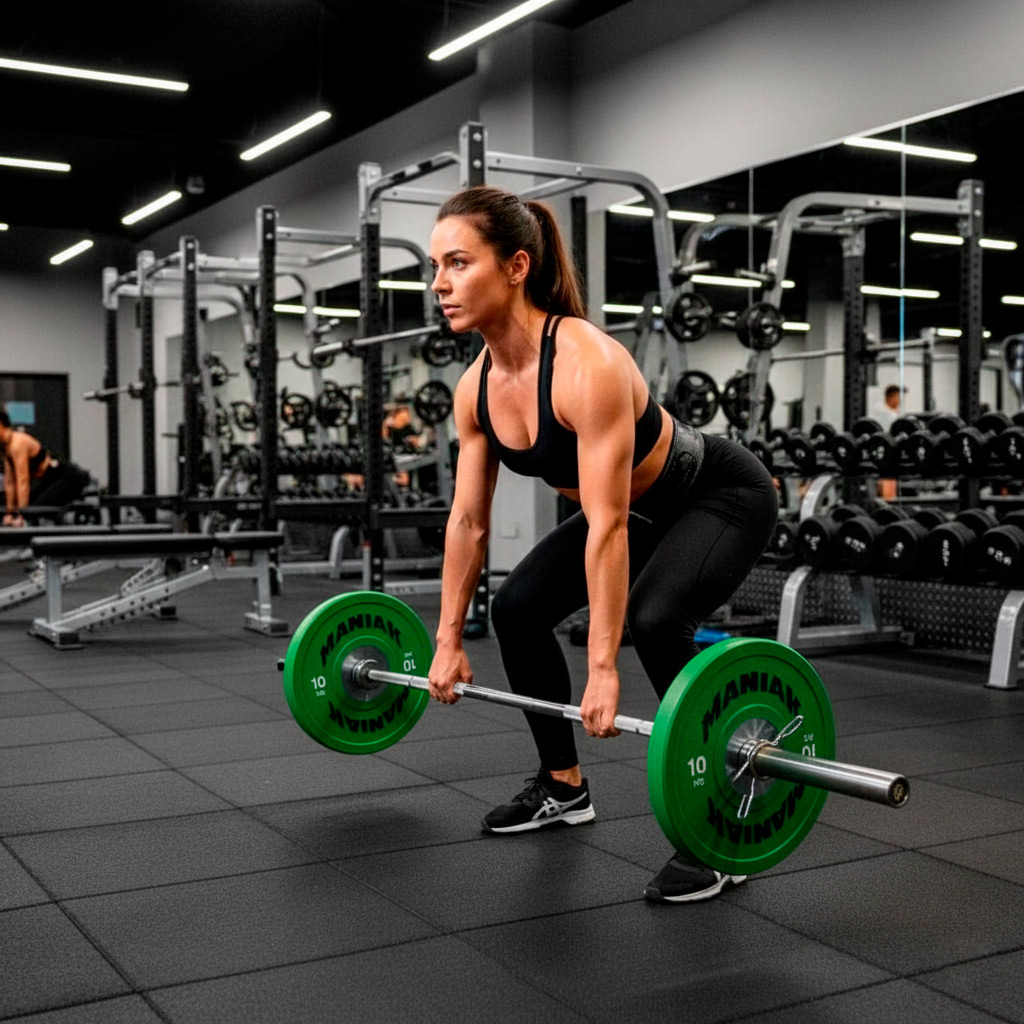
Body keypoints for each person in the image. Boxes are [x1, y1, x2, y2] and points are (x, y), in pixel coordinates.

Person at [425, 185, 779, 903]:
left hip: (718, 495)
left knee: (653, 622)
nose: (439, 284)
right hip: (635, 511)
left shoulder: (587, 362)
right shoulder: (475, 388)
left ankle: (721, 830)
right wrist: (446, 638)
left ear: (517, 266)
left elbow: (609, 525)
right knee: (518, 608)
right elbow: (466, 521)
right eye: (436, 266)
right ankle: (563, 786)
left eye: (458, 263)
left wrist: (603, 668)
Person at [0, 408, 90, 526]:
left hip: (68, 478)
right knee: (31, 505)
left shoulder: (17, 443)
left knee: (34, 510)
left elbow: (23, 481)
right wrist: (10, 513)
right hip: (51, 480)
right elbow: (10, 483)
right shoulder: (6, 448)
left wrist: (22, 516)